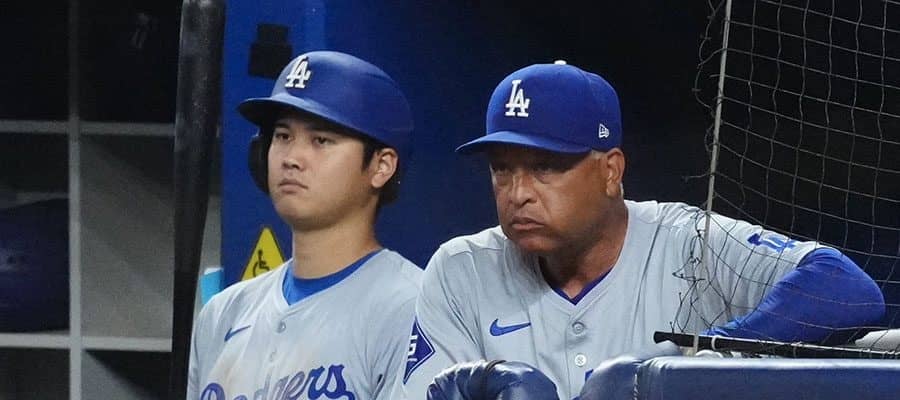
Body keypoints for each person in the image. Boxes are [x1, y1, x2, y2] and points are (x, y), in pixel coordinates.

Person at [394, 60, 885, 400]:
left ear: (610, 171)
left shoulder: (689, 243)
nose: (517, 192)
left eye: (545, 167)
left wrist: (692, 363)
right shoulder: (462, 271)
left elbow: (844, 288)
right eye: (502, 169)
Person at [187, 51, 422, 400]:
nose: (292, 159)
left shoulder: (413, 311)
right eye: (283, 136)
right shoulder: (223, 314)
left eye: (321, 140)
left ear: (381, 166)